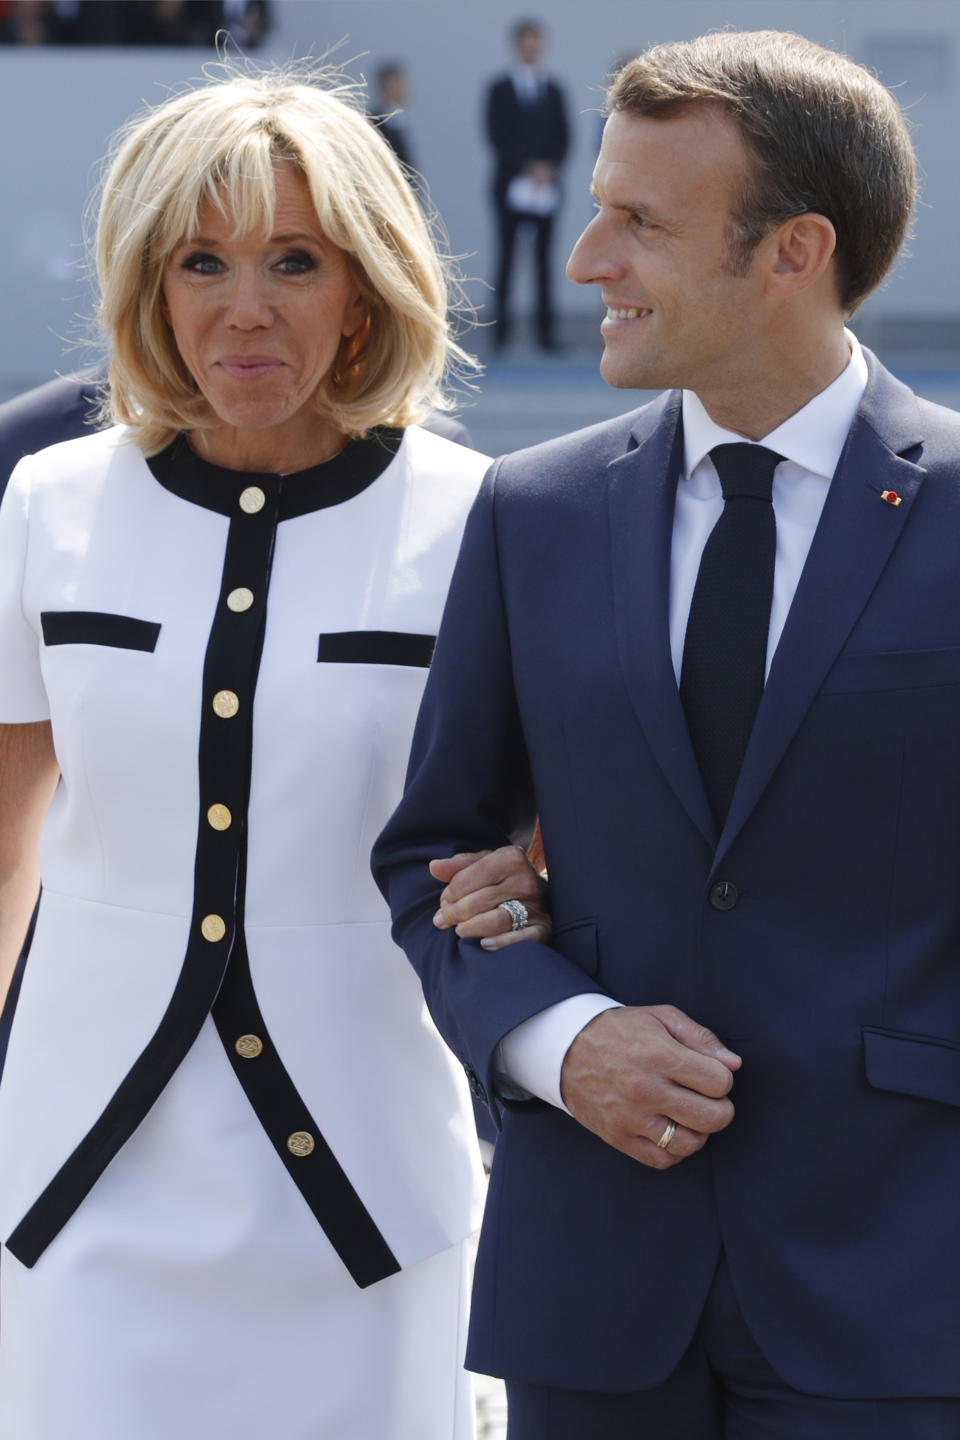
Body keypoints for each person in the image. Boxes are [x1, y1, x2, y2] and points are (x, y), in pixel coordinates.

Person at [375, 28, 960, 1438]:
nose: (586, 261)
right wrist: (556, 1035)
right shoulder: (535, 511)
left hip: (900, 1279)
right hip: (592, 1284)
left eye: (638, 222)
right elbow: (437, 856)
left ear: (792, 252)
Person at [0, 66, 549, 1440]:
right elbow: (8, 830)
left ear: (364, 289)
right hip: (77, 1173)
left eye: (293, 261)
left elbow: (525, 848)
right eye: (202, 261)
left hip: (370, 1187)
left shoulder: (478, 519)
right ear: (147, 286)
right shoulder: (48, 504)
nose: (243, 307)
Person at [485, 19, 568, 352]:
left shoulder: (554, 90)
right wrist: (527, 166)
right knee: (505, 258)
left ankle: (545, 335)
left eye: (537, 41)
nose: (532, 47)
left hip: (547, 188)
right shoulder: (499, 89)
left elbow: (564, 136)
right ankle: (501, 334)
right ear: (516, 45)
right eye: (526, 42)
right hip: (510, 185)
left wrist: (549, 167)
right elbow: (494, 134)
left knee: (545, 262)